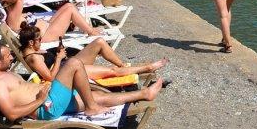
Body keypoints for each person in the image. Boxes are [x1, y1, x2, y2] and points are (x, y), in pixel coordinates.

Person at [0, 43, 166, 124]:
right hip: (46, 106)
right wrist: (39, 99)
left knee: (98, 96)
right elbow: (10, 114)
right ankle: (91, 108)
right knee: (74, 64)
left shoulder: (4, 73)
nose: (12, 57)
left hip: (50, 98)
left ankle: (144, 94)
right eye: (8, 56)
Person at [18, 21, 168, 83]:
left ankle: (123, 65)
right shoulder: (34, 58)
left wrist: (56, 53)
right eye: (39, 40)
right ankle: (147, 67)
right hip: (67, 72)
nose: (41, 41)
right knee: (111, 71)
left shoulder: (31, 50)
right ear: (31, 43)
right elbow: (50, 78)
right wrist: (58, 58)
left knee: (99, 42)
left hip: (69, 64)